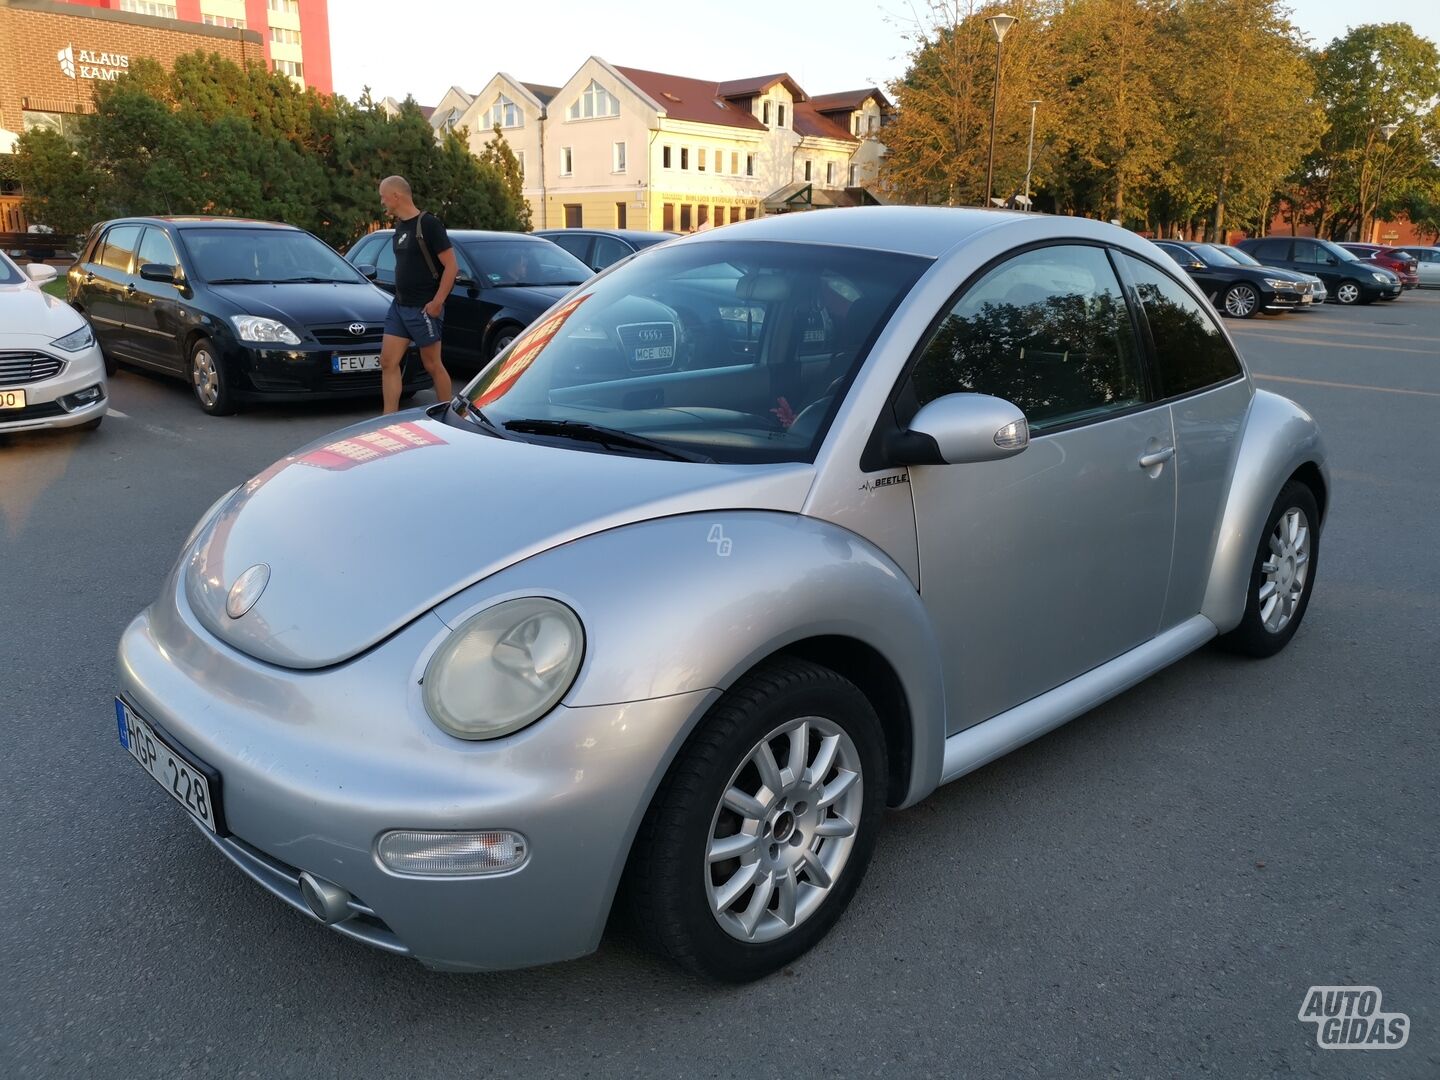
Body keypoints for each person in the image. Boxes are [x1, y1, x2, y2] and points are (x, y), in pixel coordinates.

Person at [376, 175, 456, 413]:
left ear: (396, 196)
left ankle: (447, 415)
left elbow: (451, 267)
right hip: (399, 307)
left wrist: (437, 302)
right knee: (388, 362)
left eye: (383, 196)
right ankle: (388, 419)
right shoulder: (400, 227)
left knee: (432, 364)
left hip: (423, 308)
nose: (382, 202)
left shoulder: (428, 224)